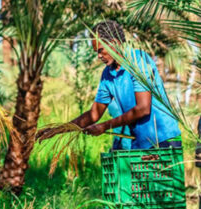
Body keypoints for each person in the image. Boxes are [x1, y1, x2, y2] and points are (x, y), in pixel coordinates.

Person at [37, 20, 181, 149]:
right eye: (96, 52)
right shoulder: (107, 75)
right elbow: (94, 114)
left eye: (100, 50)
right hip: (140, 143)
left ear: (114, 43)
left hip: (164, 139)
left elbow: (143, 109)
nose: (99, 56)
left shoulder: (138, 60)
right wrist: (57, 129)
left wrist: (105, 126)